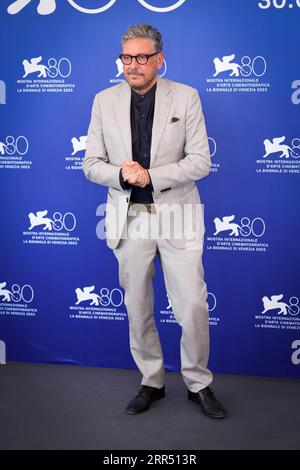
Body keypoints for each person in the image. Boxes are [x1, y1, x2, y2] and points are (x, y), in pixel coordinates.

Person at [82, 24, 226, 419]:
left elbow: (201, 161)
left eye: (143, 57)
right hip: (129, 219)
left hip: (178, 215)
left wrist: (152, 176)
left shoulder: (187, 97)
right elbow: (90, 164)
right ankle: (152, 381)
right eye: (127, 57)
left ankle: (199, 383)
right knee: (138, 307)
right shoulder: (103, 101)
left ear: (160, 59)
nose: (134, 65)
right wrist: (120, 174)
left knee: (193, 305)